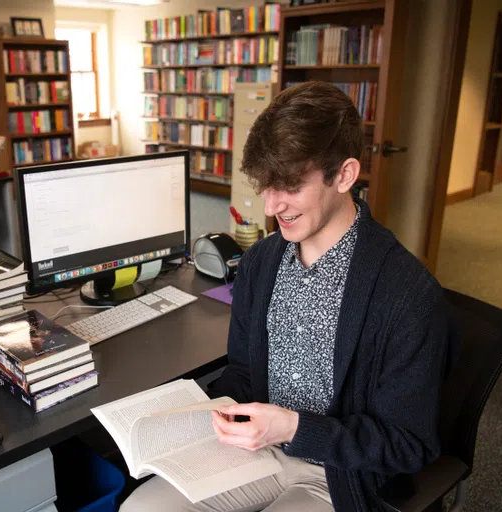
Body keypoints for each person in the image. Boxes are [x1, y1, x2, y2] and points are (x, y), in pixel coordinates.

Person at [120, 81, 454, 511]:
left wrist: (293, 428)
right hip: (252, 449)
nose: (273, 205)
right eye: (266, 185)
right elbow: (242, 372)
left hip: (335, 472)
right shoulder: (260, 261)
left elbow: (408, 445)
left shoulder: (407, 293)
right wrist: (190, 419)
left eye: (291, 185)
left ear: (345, 175)